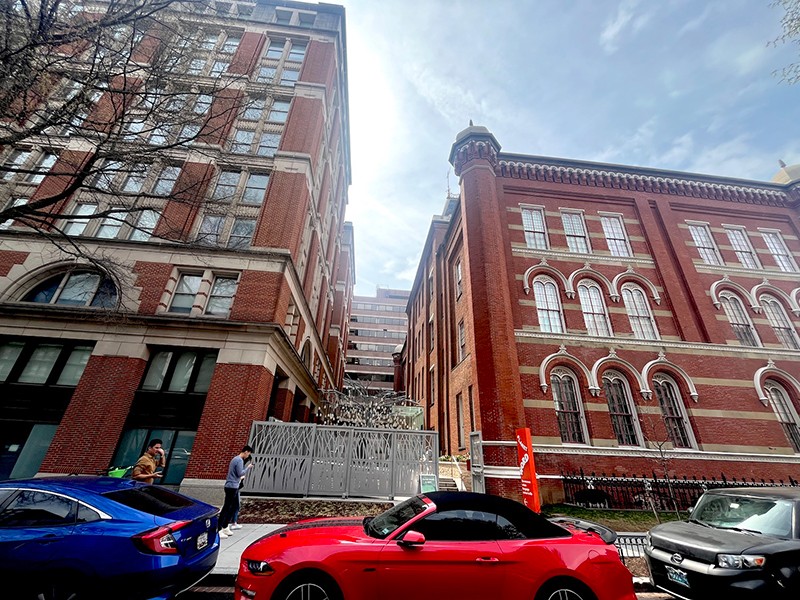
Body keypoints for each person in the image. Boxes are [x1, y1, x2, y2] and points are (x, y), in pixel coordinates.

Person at [219, 445, 253, 538]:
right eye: (248, 453)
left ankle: (225, 526)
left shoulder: (235, 459)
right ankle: (219, 528)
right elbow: (240, 473)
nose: (248, 456)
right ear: (246, 451)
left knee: (232, 507)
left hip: (232, 485)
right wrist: (248, 468)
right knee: (227, 508)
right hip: (232, 486)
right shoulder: (239, 460)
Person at [230, 454, 252, 530]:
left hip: (236, 487)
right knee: (235, 505)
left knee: (235, 505)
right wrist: (247, 468)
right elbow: (239, 474)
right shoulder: (239, 462)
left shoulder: (238, 462)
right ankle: (233, 522)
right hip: (235, 487)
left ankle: (233, 522)